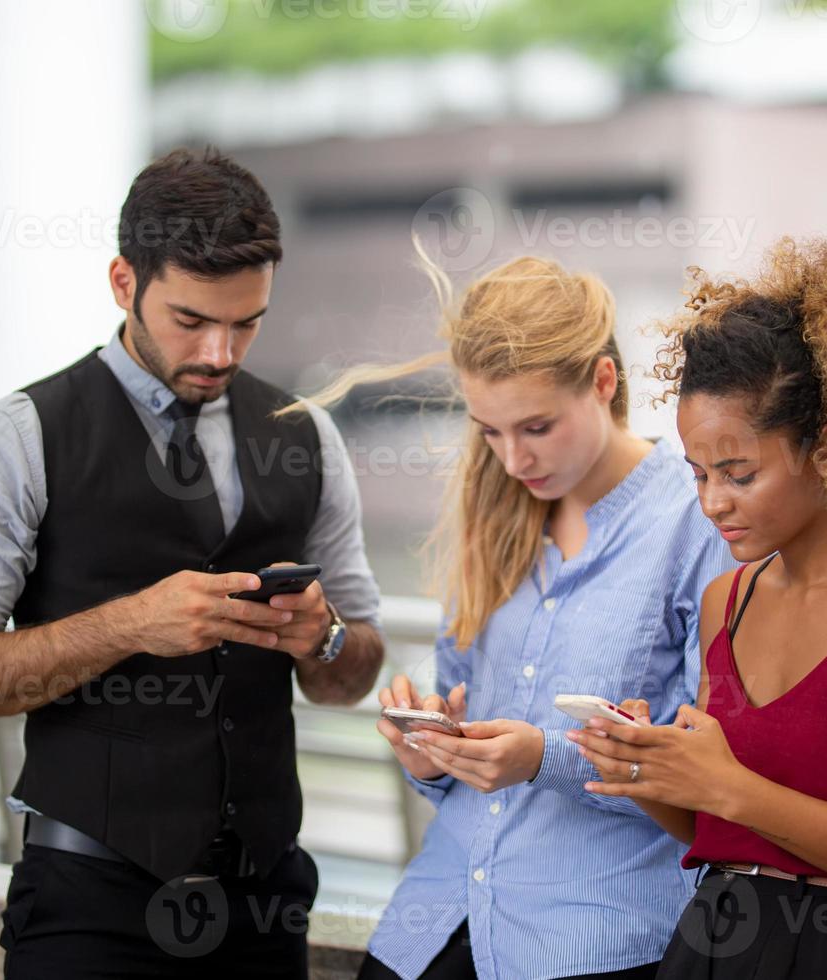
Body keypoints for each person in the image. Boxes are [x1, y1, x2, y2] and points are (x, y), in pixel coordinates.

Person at [0, 147, 386, 978]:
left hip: (263, 907)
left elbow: (353, 674)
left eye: (247, 321)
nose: (221, 351)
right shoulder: (17, 439)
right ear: (124, 282)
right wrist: (132, 624)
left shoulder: (306, 437)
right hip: (89, 906)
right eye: (192, 320)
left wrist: (326, 637)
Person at [293, 252, 733, 978]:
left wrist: (544, 757)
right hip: (429, 926)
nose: (512, 458)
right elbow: (463, 700)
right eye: (489, 432)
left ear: (602, 381)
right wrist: (431, 750)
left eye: (535, 427)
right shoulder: (493, 518)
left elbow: (708, 776)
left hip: (596, 941)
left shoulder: (697, 526)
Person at [574, 238, 827, 979]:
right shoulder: (722, 603)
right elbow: (719, 826)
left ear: (825, 446)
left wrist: (731, 786)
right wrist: (648, 772)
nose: (711, 503)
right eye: (698, 474)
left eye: (739, 474)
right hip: (711, 942)